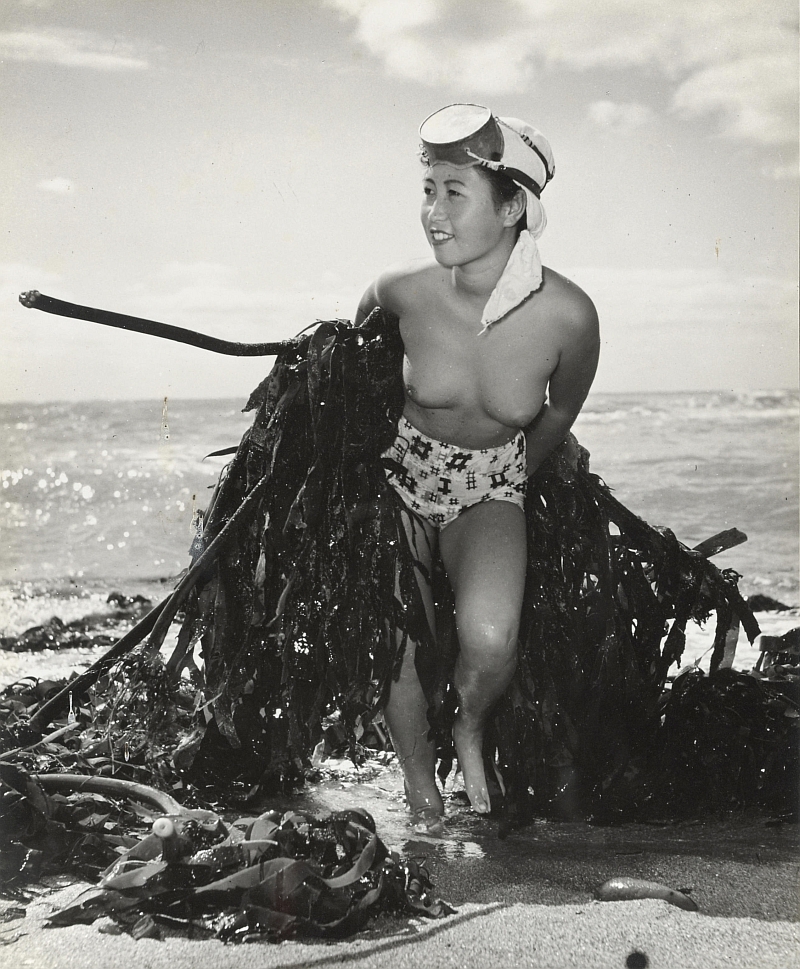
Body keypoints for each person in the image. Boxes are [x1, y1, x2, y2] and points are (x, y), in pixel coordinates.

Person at [354, 103, 600, 824]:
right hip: (400, 476)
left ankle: (467, 725)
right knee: (392, 644)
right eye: (427, 189)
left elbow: (558, 410)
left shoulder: (569, 317)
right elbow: (353, 384)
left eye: (453, 192)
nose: (432, 212)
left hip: (489, 485)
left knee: (491, 642)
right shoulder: (395, 294)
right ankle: (419, 787)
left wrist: (513, 477)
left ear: (513, 205)